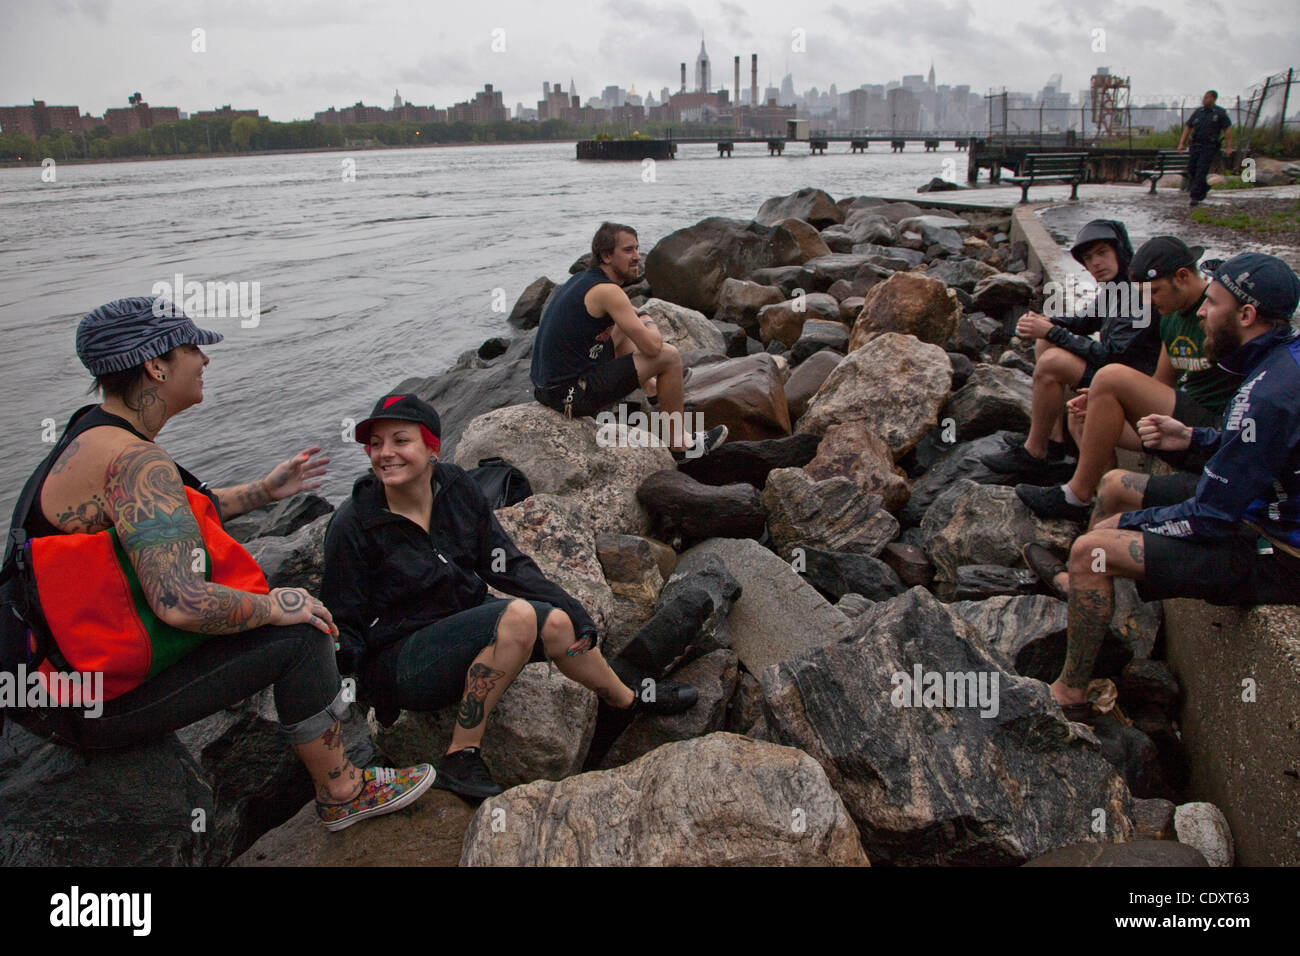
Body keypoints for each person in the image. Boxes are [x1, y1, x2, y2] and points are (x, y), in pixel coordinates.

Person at [2, 296, 433, 831]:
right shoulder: (136, 462)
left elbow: (161, 521)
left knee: (272, 612)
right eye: (192, 348)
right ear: (156, 365)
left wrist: (264, 491)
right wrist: (275, 606)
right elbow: (181, 603)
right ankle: (343, 791)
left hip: (49, 682)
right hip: (87, 710)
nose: (204, 359)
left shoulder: (93, 433)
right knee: (302, 635)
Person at [320, 393, 700, 801]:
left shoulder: (456, 487)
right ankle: (460, 754)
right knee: (518, 617)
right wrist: (353, 695)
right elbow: (343, 619)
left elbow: (505, 564)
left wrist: (571, 607)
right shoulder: (355, 523)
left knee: (556, 622)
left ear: (432, 447)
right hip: (402, 657)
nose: (385, 454)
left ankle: (624, 700)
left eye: (400, 441)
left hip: (462, 618)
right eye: (376, 445)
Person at [1038, 253, 1300, 719]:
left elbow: (1211, 517)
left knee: (1089, 549)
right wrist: (1195, 437)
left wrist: (1128, 525)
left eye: (1212, 303)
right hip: (1263, 509)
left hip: (1278, 555)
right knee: (1116, 483)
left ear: (1246, 316)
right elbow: (1261, 447)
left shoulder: (1267, 394)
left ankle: (1070, 692)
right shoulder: (1282, 362)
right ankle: (1106, 614)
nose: (1200, 312)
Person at [1016, 237, 1240, 522]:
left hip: (1214, 431)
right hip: (1181, 421)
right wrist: (1101, 401)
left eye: (1154, 292)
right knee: (1083, 414)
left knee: (1110, 378)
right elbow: (1162, 383)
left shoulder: (1220, 315)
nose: (1149, 303)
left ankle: (1075, 495)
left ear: (1182, 277)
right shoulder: (1170, 317)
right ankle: (1101, 507)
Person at [530, 222, 727, 458]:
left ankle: (653, 389)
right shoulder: (609, 292)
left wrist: (634, 318)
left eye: (637, 248)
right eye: (628, 250)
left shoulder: (584, 280)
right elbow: (653, 348)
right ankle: (681, 446)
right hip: (571, 397)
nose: (637, 257)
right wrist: (649, 321)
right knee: (669, 356)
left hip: (547, 390)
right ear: (606, 255)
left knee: (624, 327)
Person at [983, 220, 1161, 481]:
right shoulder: (1117, 287)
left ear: (1120, 252)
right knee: (1046, 342)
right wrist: (1047, 322)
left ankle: (1036, 452)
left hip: (1131, 382)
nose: (1095, 264)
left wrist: (1051, 331)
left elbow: (1111, 354)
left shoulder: (1138, 294)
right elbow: (1085, 322)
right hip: (1116, 371)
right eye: (1088, 259)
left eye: (1102, 253)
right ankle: (1053, 440)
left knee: (1053, 360)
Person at [1178, 90, 1234, 207]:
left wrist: (1229, 146)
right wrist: (1181, 143)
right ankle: (1204, 187)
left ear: (1213, 98)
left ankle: (1195, 197)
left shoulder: (1219, 113)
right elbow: (1188, 127)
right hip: (1196, 144)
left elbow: (1227, 129)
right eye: (1204, 97)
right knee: (1192, 170)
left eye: (1207, 97)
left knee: (1201, 170)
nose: (1204, 99)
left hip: (1209, 146)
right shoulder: (1198, 112)